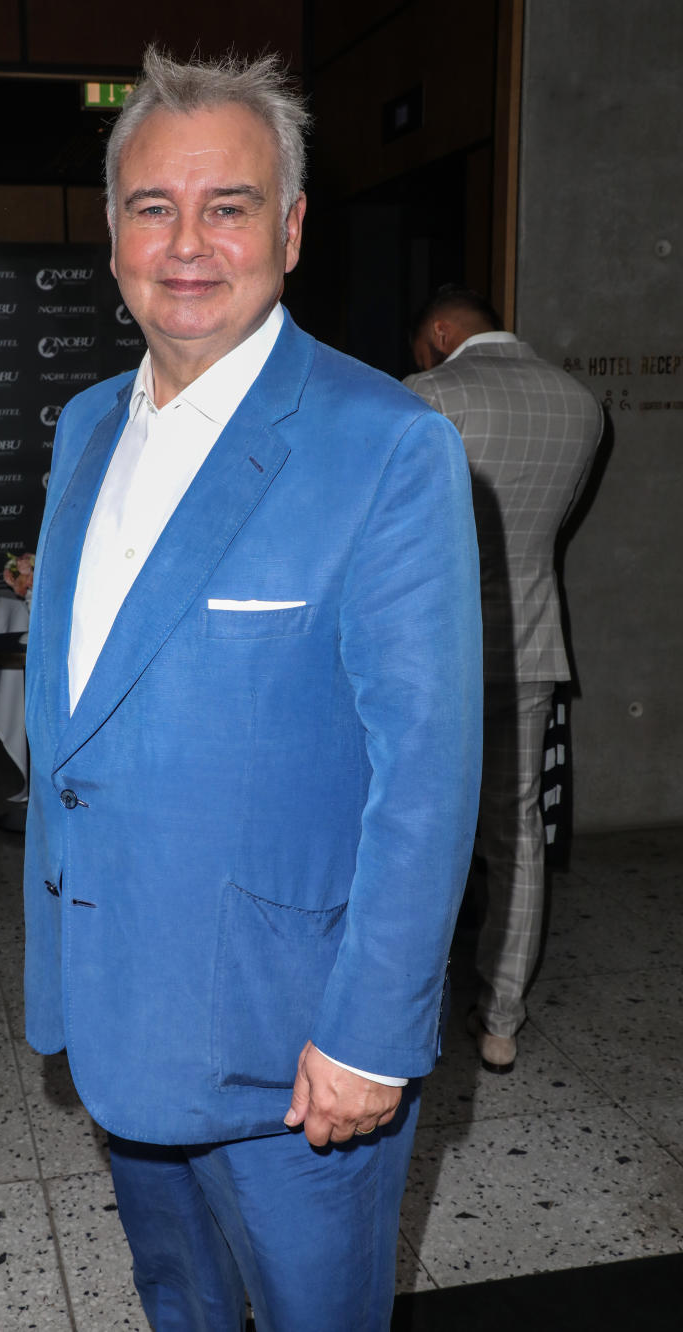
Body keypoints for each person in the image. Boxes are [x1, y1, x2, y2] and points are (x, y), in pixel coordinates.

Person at [22, 49, 482, 1331]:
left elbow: (428, 776)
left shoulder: (388, 444)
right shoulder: (85, 429)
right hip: (119, 1006)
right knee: (176, 1302)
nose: (185, 244)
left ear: (286, 230)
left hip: (292, 1054)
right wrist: (59, 966)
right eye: (152, 207)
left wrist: (371, 1038)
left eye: (227, 206)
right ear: (114, 232)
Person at [405, 285, 603, 1075]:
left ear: (442, 333)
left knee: (421, 828)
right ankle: (501, 1019)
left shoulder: (427, 395)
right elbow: (551, 530)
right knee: (516, 834)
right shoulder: (582, 406)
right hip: (529, 645)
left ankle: (413, 1009)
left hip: (433, 651)